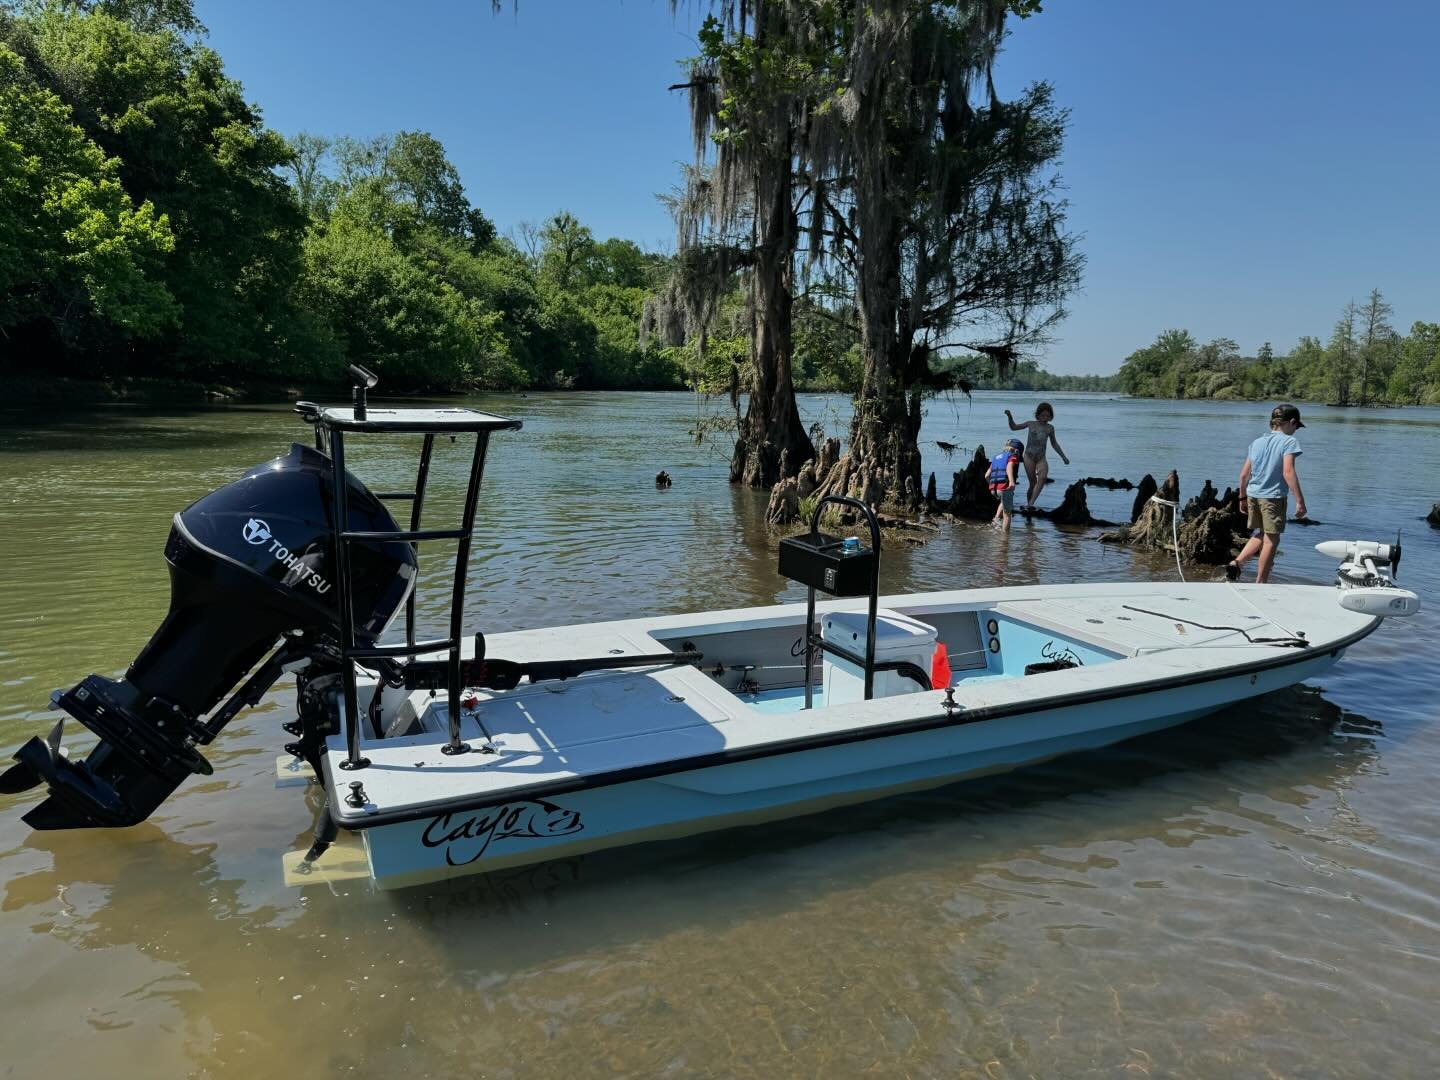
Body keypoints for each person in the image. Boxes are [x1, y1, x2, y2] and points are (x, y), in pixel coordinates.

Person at [1227, 404, 1308, 584]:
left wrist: (1242, 498)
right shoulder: (1289, 442)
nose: (1296, 431)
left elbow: (1243, 475)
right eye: (1296, 427)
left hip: (1253, 494)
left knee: (1262, 534)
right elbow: (1288, 472)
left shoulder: (1257, 442)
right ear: (1292, 422)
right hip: (1272, 497)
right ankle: (1261, 582)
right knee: (1272, 540)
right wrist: (1300, 501)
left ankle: (1237, 563)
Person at [1005, 402, 1070, 510]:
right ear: (1038, 415)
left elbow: (1054, 443)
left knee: (1043, 478)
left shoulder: (1050, 428)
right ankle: (1028, 504)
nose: (1045, 418)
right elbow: (1014, 427)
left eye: (1048, 416)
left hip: (1041, 458)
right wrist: (1010, 417)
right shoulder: (1030, 424)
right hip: (1029, 457)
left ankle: (1030, 504)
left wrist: (1063, 457)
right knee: (1032, 483)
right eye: (1043, 416)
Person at [988, 438, 1024, 530]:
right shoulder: (1013, 456)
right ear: (1017, 451)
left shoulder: (996, 457)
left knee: (1003, 502)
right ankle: (1005, 539)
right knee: (1007, 514)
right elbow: (1009, 467)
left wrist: (991, 485)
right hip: (1004, 487)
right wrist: (1011, 482)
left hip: (993, 489)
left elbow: (986, 475)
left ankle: (995, 520)